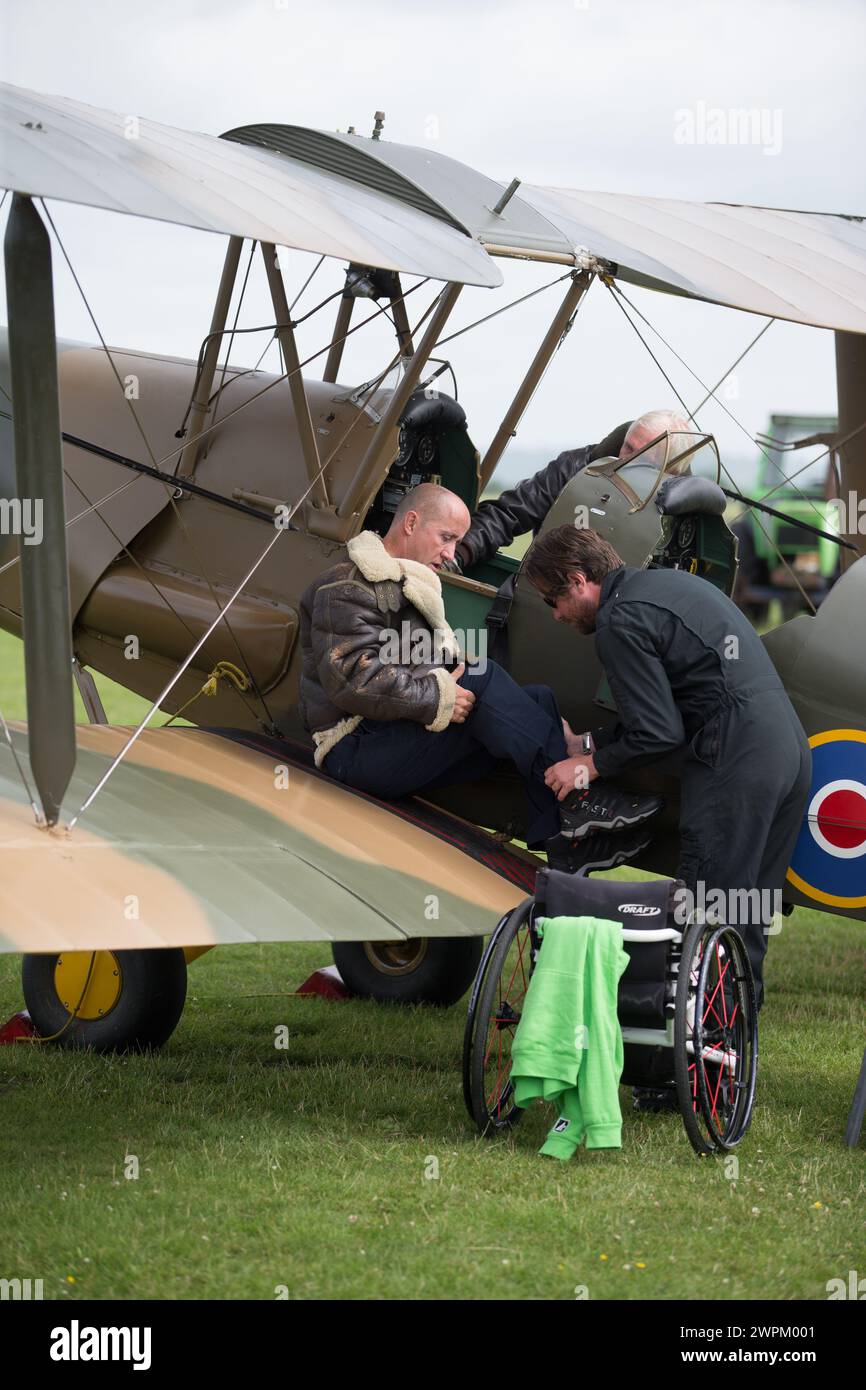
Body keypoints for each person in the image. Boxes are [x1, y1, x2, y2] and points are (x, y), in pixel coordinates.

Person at [523, 523, 812, 1011]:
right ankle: (731, 1057)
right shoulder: (665, 586)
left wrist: (589, 767)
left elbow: (658, 733)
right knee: (747, 918)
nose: (555, 616)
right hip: (786, 750)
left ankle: (685, 1073)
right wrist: (588, 742)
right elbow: (669, 712)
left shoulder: (618, 621)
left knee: (703, 913)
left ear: (577, 580)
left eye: (553, 600)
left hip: (735, 760)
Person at [298, 484, 661, 872]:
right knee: (482, 678)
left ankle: (562, 841)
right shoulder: (347, 586)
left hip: (390, 732)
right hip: (351, 747)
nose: (452, 554)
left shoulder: (411, 584)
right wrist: (439, 698)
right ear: (411, 523)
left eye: (457, 542)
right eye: (447, 538)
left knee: (538, 700)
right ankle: (577, 800)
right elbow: (352, 679)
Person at [454, 410, 693, 572]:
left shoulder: (685, 513)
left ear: (668, 472)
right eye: (627, 447)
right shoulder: (575, 468)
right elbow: (510, 513)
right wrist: (459, 553)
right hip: (541, 596)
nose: (625, 459)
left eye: (640, 458)